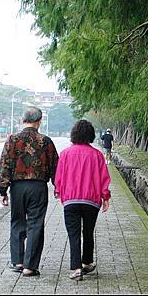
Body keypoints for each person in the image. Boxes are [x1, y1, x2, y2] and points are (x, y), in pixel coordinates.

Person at [0, 106, 59, 277]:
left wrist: (3, 190)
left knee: (17, 222)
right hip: (38, 187)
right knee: (35, 224)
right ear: (39, 121)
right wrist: (57, 186)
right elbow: (56, 166)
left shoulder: (12, 139)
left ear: (23, 120)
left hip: (17, 187)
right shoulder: (46, 141)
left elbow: (4, 165)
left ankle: (17, 261)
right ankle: (29, 266)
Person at [54, 120, 111, 281]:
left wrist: (58, 191)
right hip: (91, 201)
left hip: (70, 201)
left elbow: (59, 177)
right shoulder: (97, 155)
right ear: (91, 135)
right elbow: (104, 179)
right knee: (88, 232)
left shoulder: (65, 154)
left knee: (73, 234)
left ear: (73, 134)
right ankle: (87, 262)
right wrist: (105, 197)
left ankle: (76, 268)